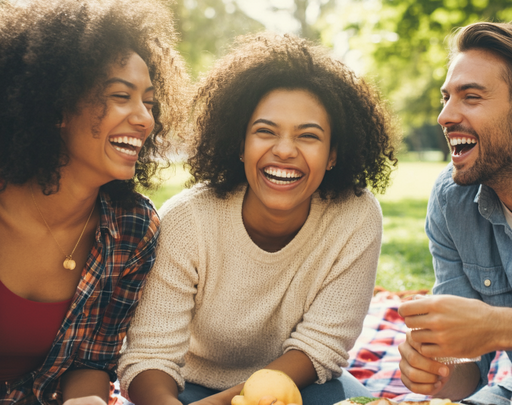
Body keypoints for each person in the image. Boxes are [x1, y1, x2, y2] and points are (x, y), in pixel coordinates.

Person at [118, 33, 397, 405]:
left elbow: (322, 346)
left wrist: (242, 399)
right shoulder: (188, 220)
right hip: (189, 391)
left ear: (333, 155)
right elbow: (148, 358)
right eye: (265, 132)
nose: (284, 150)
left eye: (308, 136)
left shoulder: (356, 216)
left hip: (298, 385)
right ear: (240, 143)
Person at [0, 0, 190, 405]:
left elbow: (91, 362)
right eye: (120, 96)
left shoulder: (132, 228)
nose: (144, 119)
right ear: (57, 108)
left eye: (150, 102)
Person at [398, 22, 512, 405]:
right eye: (446, 98)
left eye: (471, 97)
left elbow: (492, 330)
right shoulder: (453, 201)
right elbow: (469, 370)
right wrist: (438, 371)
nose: (445, 116)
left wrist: (500, 326)